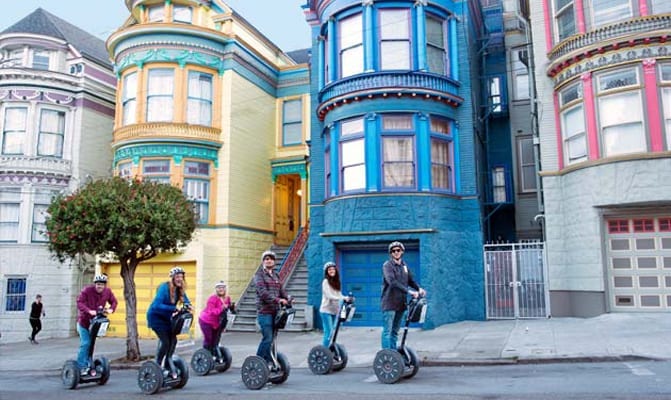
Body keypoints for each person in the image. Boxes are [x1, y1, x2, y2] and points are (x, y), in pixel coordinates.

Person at [380, 241, 426, 350]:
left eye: (398, 250)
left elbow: (410, 280)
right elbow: (392, 282)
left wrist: (419, 288)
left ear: (402, 252)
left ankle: (393, 352)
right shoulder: (387, 265)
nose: (396, 252)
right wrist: (410, 292)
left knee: (395, 331)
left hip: (401, 304)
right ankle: (387, 354)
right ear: (391, 253)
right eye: (393, 251)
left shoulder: (404, 265)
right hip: (389, 303)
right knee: (388, 331)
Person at [147, 266, 192, 376]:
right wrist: (173, 309)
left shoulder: (179, 289)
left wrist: (188, 306)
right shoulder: (164, 288)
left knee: (174, 341)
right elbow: (157, 305)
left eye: (181, 277)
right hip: (156, 317)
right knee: (166, 342)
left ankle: (168, 361)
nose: (179, 279)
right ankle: (158, 364)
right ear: (172, 278)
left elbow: (186, 301)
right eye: (177, 276)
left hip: (167, 318)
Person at [76, 275, 118, 374]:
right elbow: (79, 302)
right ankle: (81, 366)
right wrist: (89, 311)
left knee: (91, 344)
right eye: (98, 284)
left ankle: (88, 363)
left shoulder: (107, 292)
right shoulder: (87, 290)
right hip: (84, 323)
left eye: (102, 285)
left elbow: (114, 302)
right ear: (95, 284)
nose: (100, 286)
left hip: (96, 323)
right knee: (86, 343)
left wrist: (111, 309)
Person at [254, 250, 290, 363]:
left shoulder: (276, 275)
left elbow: (281, 290)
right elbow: (263, 293)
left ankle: (269, 360)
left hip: (276, 312)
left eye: (271, 259)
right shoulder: (259, 275)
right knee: (268, 338)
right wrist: (279, 300)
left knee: (273, 339)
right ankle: (257, 362)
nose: (268, 261)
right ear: (263, 262)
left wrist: (288, 298)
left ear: (274, 261)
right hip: (265, 312)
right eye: (266, 259)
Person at [319, 261, 351, 347]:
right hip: (326, 311)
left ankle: (329, 350)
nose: (332, 271)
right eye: (329, 270)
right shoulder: (325, 282)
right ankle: (324, 351)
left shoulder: (336, 282)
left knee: (332, 332)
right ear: (327, 272)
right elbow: (329, 296)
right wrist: (343, 298)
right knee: (328, 332)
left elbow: (339, 295)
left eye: (333, 269)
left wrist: (346, 298)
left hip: (334, 311)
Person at [198, 280, 232, 353]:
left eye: (222, 287)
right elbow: (211, 311)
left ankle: (214, 353)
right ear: (216, 289)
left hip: (217, 322)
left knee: (216, 339)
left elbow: (228, 307)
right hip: (206, 321)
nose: (221, 289)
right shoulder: (212, 298)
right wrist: (221, 308)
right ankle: (206, 353)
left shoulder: (227, 298)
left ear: (225, 289)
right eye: (219, 288)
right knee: (209, 338)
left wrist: (231, 307)